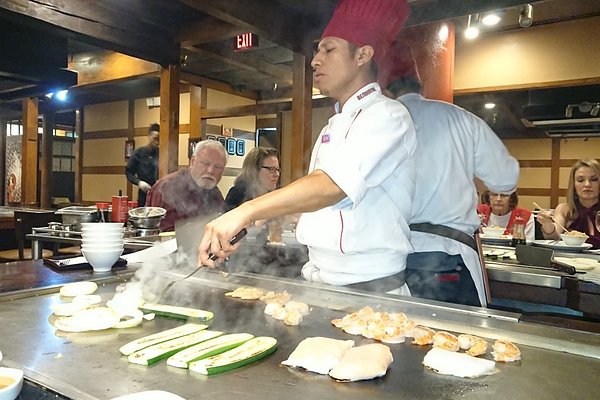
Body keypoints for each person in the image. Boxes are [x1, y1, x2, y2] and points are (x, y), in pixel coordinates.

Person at [199, 0, 416, 294]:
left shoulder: (387, 115)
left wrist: (245, 211)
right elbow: (326, 206)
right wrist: (261, 220)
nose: (315, 60)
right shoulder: (332, 126)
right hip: (323, 282)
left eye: (328, 49)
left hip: (369, 291)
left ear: (363, 55)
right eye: (316, 51)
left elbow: (330, 186)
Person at [380, 40, 519, 306]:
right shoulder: (460, 118)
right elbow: (505, 179)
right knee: (457, 342)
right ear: (420, 84)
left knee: (400, 339)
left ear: (385, 88)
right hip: (448, 255)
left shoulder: (380, 124)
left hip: (393, 258)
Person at [146, 140, 226, 232]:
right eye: (205, 163)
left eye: (218, 167)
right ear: (192, 162)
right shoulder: (166, 187)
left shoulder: (214, 192)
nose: (211, 171)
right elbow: (157, 233)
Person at [537, 158, 600, 249]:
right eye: (580, 180)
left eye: (594, 179)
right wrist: (547, 224)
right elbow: (554, 238)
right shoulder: (565, 209)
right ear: (573, 184)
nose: (587, 184)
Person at [224, 147, 280, 212]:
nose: (277, 174)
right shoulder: (237, 194)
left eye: (277, 170)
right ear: (255, 170)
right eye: (272, 169)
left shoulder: (274, 196)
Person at [126, 123, 159, 207]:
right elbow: (128, 172)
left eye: (159, 139)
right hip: (144, 196)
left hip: (160, 196)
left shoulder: (163, 154)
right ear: (149, 136)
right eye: (155, 138)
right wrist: (139, 182)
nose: (157, 142)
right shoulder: (139, 153)